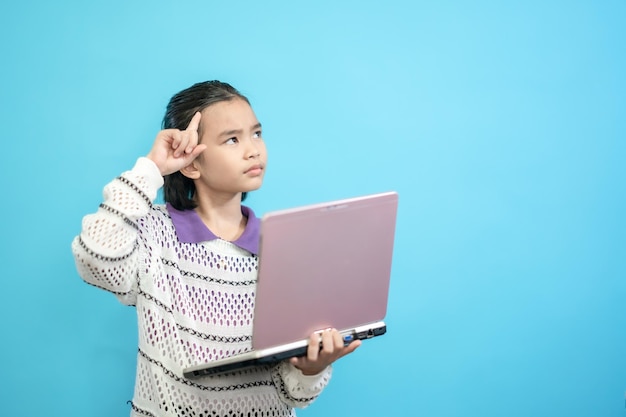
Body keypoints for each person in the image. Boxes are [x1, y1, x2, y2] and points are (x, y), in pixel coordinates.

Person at [71, 80, 360, 417]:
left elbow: (290, 391)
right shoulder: (153, 233)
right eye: (232, 139)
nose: (253, 149)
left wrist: (311, 367)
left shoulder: (281, 248)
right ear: (191, 163)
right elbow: (96, 257)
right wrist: (150, 168)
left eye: (256, 133)